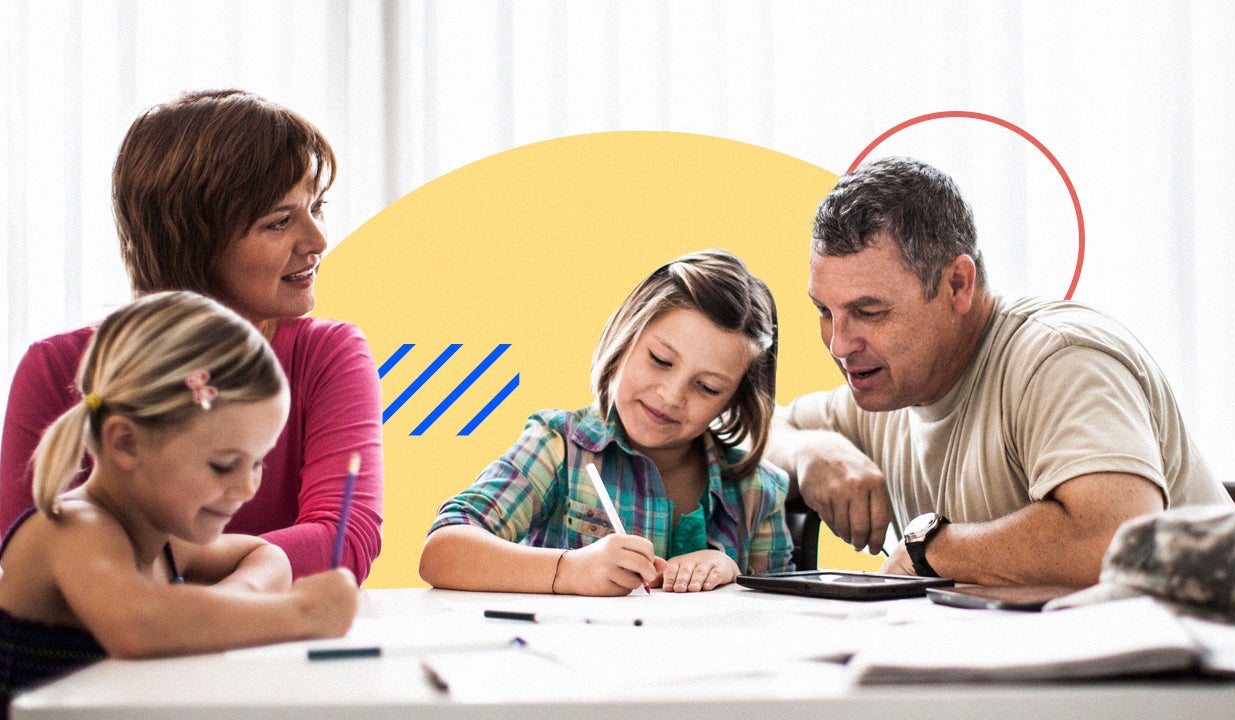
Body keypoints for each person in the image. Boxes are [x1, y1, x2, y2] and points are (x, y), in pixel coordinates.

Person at [767, 156, 1235, 588]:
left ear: (957, 285)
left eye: (869, 312)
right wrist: (809, 447)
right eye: (824, 311)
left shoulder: (1061, 359)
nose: (839, 343)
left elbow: (1117, 540)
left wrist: (928, 551)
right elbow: (746, 426)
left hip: (1217, 659)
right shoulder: (887, 386)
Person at [0, 90, 382, 582]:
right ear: (193, 242)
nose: (318, 242)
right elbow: (30, 555)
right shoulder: (56, 368)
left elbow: (345, 538)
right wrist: (243, 574)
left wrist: (147, 570)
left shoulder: (328, 354)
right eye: (280, 221)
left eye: (317, 207)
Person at [0, 292, 358, 715]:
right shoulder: (73, 528)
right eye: (224, 465)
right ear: (126, 443)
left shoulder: (163, 540)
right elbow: (137, 623)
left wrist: (236, 600)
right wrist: (301, 614)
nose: (247, 487)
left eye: (257, 462)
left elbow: (268, 555)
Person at [419, 250, 792, 595]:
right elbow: (442, 551)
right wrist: (568, 570)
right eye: (660, 360)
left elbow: (785, 617)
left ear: (736, 399)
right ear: (624, 338)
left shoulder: (758, 490)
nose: (671, 396)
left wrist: (730, 572)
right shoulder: (559, 447)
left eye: (707, 387)